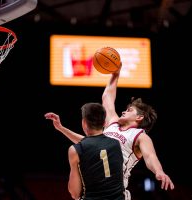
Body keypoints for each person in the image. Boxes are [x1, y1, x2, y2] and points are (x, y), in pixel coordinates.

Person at [45, 64, 174, 199]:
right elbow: (107, 97)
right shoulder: (113, 123)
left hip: (114, 190)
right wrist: (115, 74)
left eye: (129, 110)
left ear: (139, 117)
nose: (124, 111)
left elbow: (150, 156)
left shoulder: (140, 136)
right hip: (92, 184)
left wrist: (159, 171)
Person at [45, 103, 125, 200]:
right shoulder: (116, 144)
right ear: (104, 123)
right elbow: (94, 143)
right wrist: (61, 128)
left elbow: (75, 193)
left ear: (83, 122)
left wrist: (60, 128)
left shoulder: (75, 150)